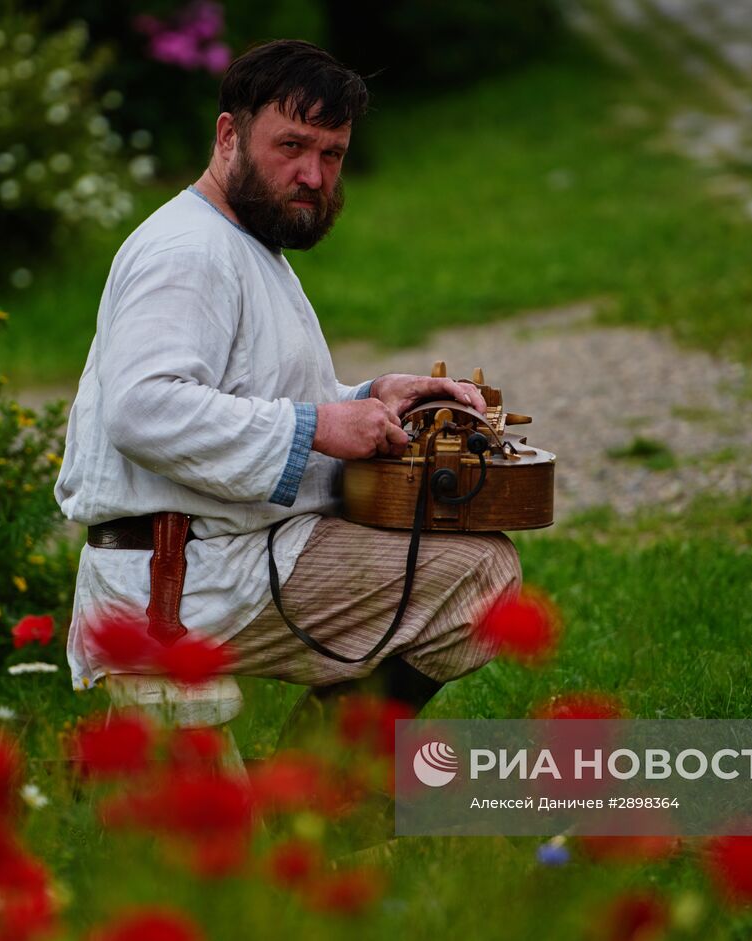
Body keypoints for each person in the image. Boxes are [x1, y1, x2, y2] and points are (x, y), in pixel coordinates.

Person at [54, 39, 521, 740]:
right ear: (228, 134)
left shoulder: (241, 241)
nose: (312, 174)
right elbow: (143, 406)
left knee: (481, 564)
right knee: (480, 580)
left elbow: (260, 393)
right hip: (180, 581)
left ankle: (315, 788)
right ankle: (322, 792)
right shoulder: (189, 252)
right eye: (292, 146)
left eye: (331, 155)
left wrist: (374, 394)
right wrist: (318, 428)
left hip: (222, 550)